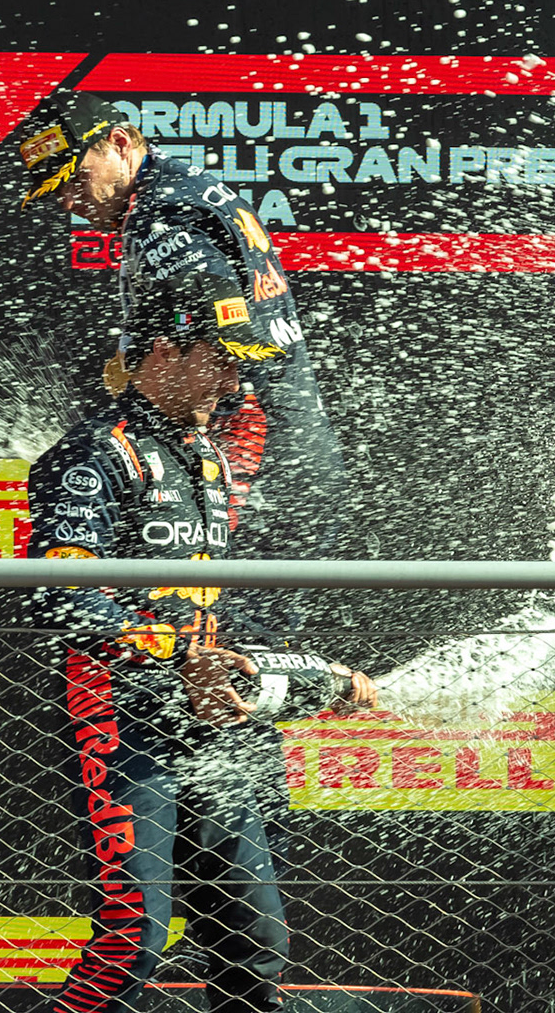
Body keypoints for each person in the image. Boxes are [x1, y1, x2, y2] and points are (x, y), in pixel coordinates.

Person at [0, 268, 376, 1013]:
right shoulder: (91, 457)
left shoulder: (210, 458)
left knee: (254, 933)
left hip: (218, 729)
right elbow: (63, 608)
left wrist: (276, 674)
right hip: (121, 717)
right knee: (137, 924)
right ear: (163, 353)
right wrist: (180, 660)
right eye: (218, 361)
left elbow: (220, 611)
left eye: (243, 366)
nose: (236, 383)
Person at [17, 90, 346, 629]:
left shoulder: (159, 208)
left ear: (120, 144)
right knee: (228, 627)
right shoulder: (181, 187)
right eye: (57, 192)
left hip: (252, 436)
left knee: (214, 628)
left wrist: (223, 331)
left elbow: (205, 282)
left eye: (75, 180)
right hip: (285, 439)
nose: (69, 202)